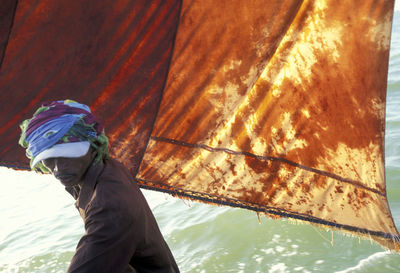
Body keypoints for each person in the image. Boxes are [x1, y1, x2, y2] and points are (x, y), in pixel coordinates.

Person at [19, 100, 179, 273]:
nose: (57, 168)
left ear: (94, 148)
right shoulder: (97, 169)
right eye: (48, 159)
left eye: (67, 155)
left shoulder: (109, 206)